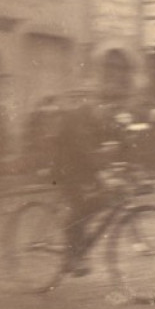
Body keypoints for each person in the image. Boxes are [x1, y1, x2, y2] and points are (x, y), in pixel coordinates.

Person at [50, 92, 109, 277]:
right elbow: (84, 148)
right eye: (94, 101)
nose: (98, 105)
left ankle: (79, 247)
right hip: (67, 171)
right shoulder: (75, 118)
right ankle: (72, 257)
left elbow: (104, 142)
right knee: (79, 209)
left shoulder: (92, 119)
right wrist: (101, 171)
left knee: (100, 201)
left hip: (83, 171)